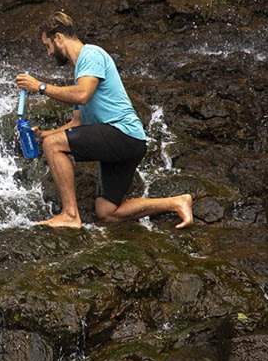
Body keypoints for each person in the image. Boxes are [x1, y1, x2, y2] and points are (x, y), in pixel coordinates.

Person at [15, 12, 193, 229]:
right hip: (129, 142)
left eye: (48, 45)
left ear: (59, 37)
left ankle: (70, 215)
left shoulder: (91, 55)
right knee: (108, 213)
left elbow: (82, 95)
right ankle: (177, 202)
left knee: (53, 146)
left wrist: (39, 87)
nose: (49, 52)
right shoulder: (81, 72)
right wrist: (44, 135)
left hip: (123, 133)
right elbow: (77, 123)